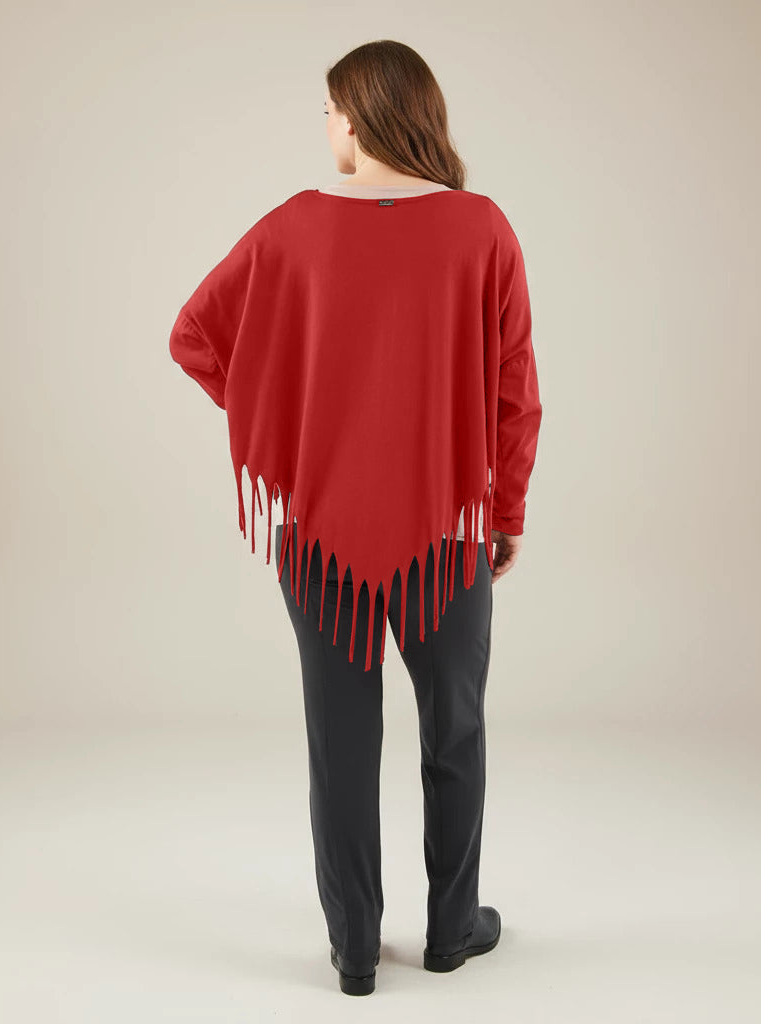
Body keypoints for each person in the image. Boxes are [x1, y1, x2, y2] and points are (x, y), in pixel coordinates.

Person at [169, 39, 542, 996]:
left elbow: (195, 335)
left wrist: (283, 428)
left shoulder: (292, 228)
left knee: (339, 744)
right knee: (454, 732)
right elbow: (515, 393)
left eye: (332, 107)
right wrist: (505, 510)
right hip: (446, 537)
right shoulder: (483, 228)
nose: (327, 125)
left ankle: (353, 949)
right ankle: (453, 929)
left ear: (364, 117)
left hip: (320, 538)